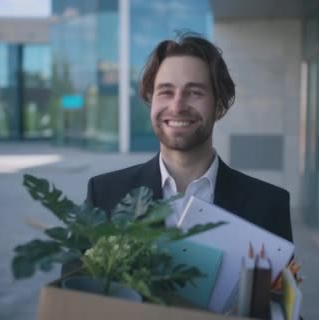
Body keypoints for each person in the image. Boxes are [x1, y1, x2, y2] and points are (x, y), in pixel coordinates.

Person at [85, 33, 292, 243]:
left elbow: (279, 276)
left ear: (219, 107)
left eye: (194, 92)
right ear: (151, 101)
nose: (177, 106)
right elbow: (78, 275)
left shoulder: (269, 205)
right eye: (165, 92)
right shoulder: (104, 195)